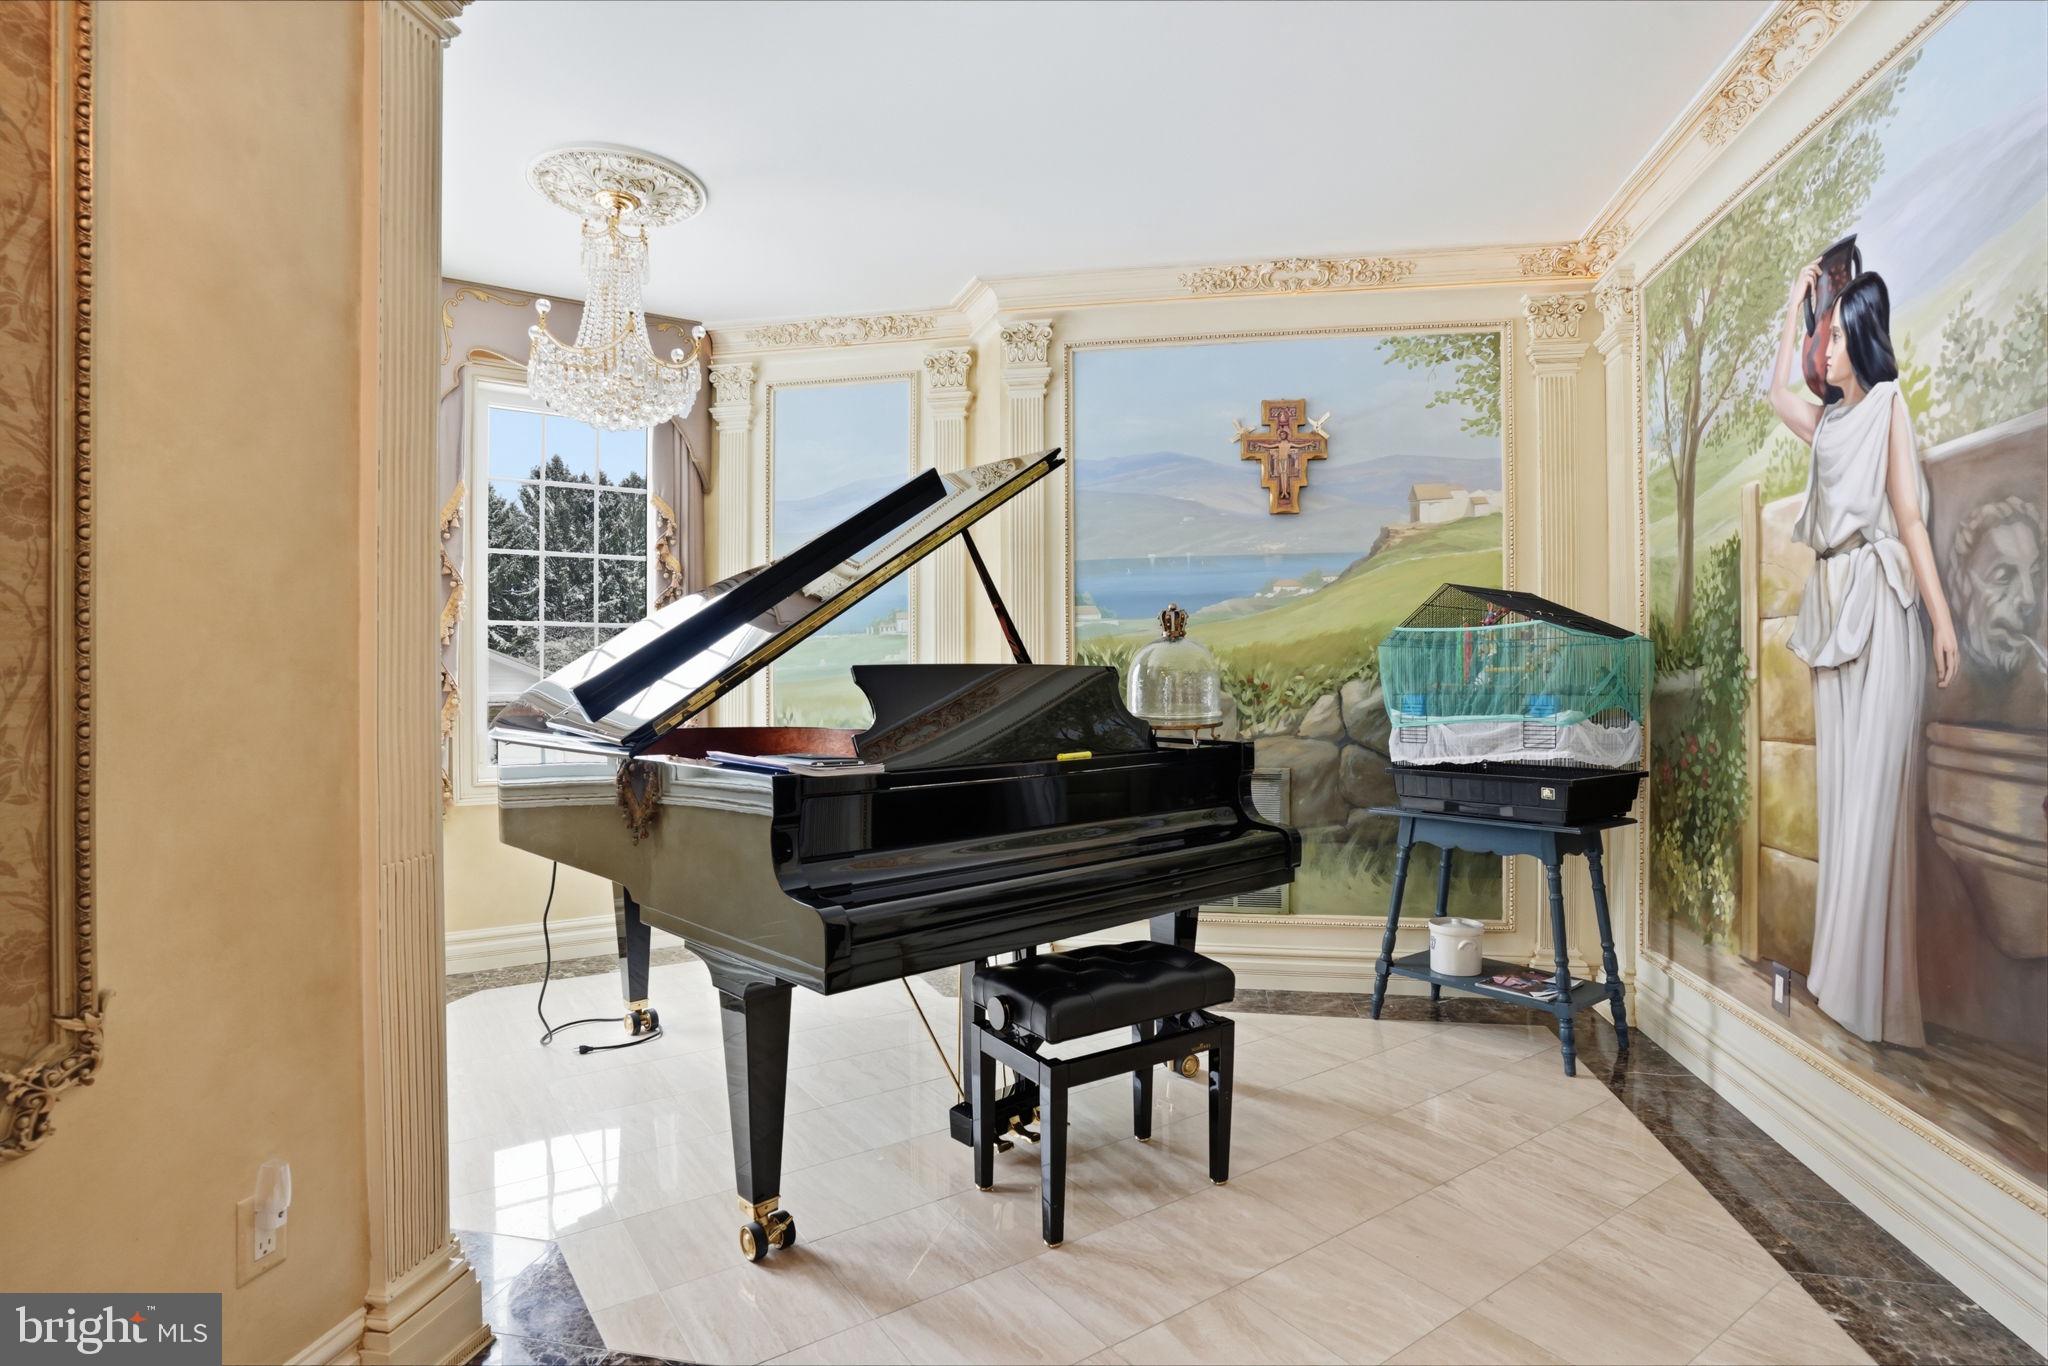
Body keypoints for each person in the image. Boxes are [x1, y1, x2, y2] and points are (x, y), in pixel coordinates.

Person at [1767, 262, 1960, 1048]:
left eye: (1840, 337)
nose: (1827, 349)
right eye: (1825, 336)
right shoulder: (1829, 421)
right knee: (1846, 799)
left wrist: (1941, 622)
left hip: (1881, 609)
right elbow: (1777, 393)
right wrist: (1794, 307)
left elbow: (1909, 519)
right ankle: (1844, 987)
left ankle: (1876, 1001)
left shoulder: (1886, 407)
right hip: (1832, 607)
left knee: (1877, 802)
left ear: (1867, 342)